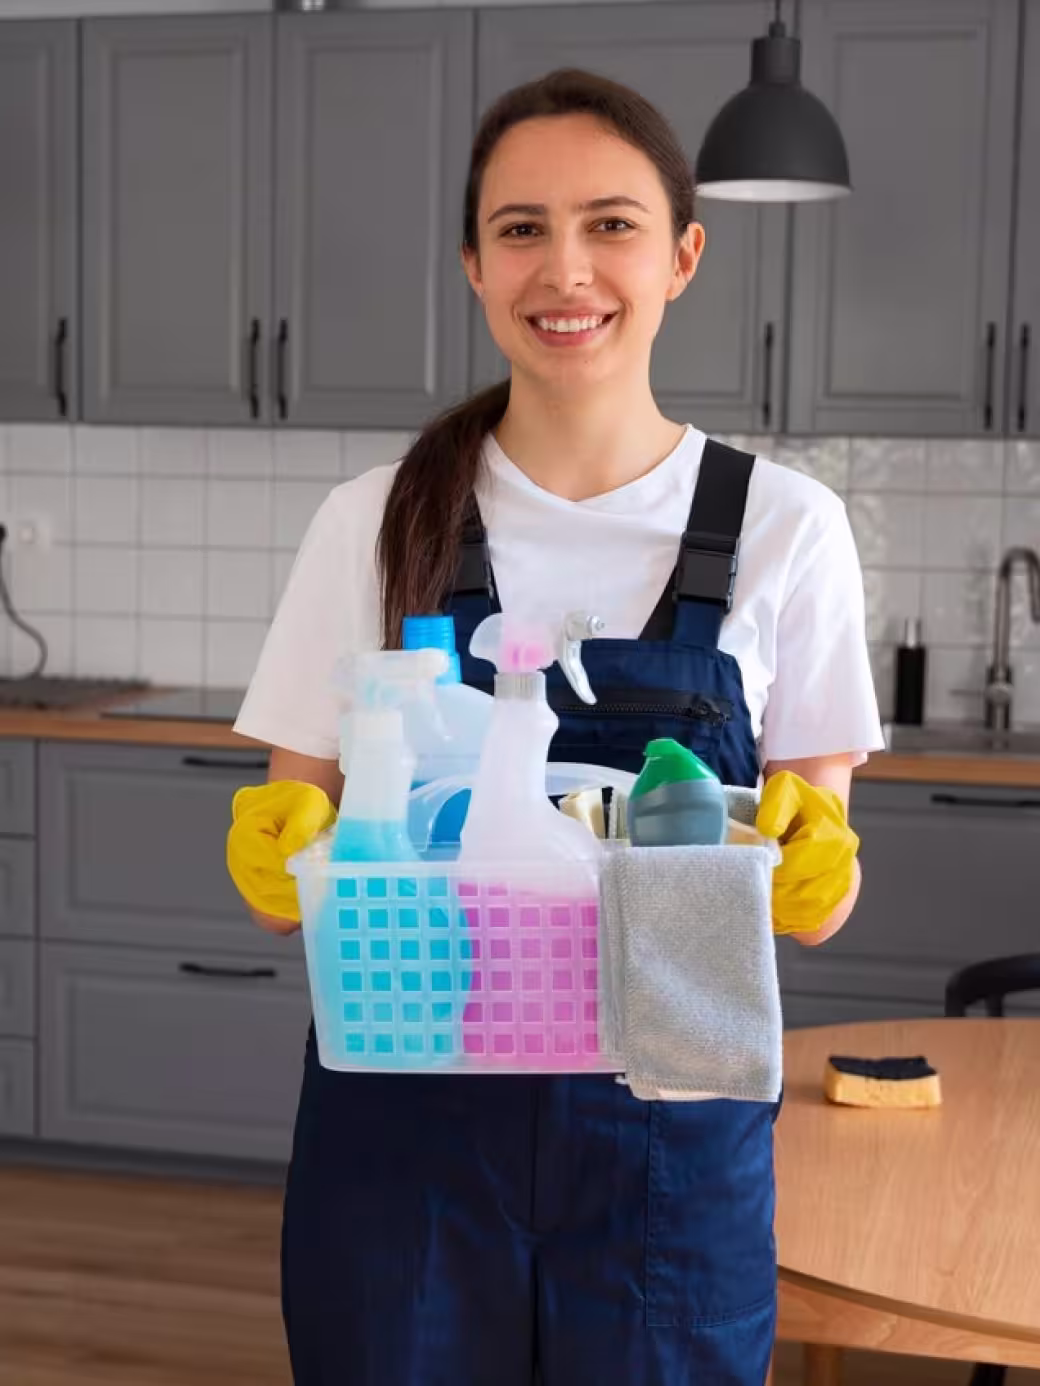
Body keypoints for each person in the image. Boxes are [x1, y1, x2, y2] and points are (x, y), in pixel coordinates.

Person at [227, 68, 884, 1386]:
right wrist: (281, 841)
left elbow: (813, 891)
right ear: (474, 264)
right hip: (408, 1122)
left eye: (611, 224)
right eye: (521, 227)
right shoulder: (375, 521)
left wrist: (819, 865)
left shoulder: (786, 528)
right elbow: (298, 867)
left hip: (673, 1131)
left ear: (683, 256)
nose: (565, 268)